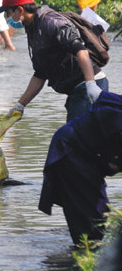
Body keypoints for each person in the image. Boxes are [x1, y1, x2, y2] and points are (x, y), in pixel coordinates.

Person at [0, 0, 109, 122]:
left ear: (20, 10)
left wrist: (90, 84)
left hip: (89, 86)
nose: (7, 18)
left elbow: (81, 50)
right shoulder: (33, 28)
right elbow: (40, 73)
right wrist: (20, 105)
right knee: (80, 138)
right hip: (76, 90)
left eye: (8, 13)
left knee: (76, 138)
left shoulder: (51, 23)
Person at [39, 91, 122, 244]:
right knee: (90, 218)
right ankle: (84, 259)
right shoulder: (116, 116)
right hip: (71, 151)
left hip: (85, 152)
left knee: (100, 212)